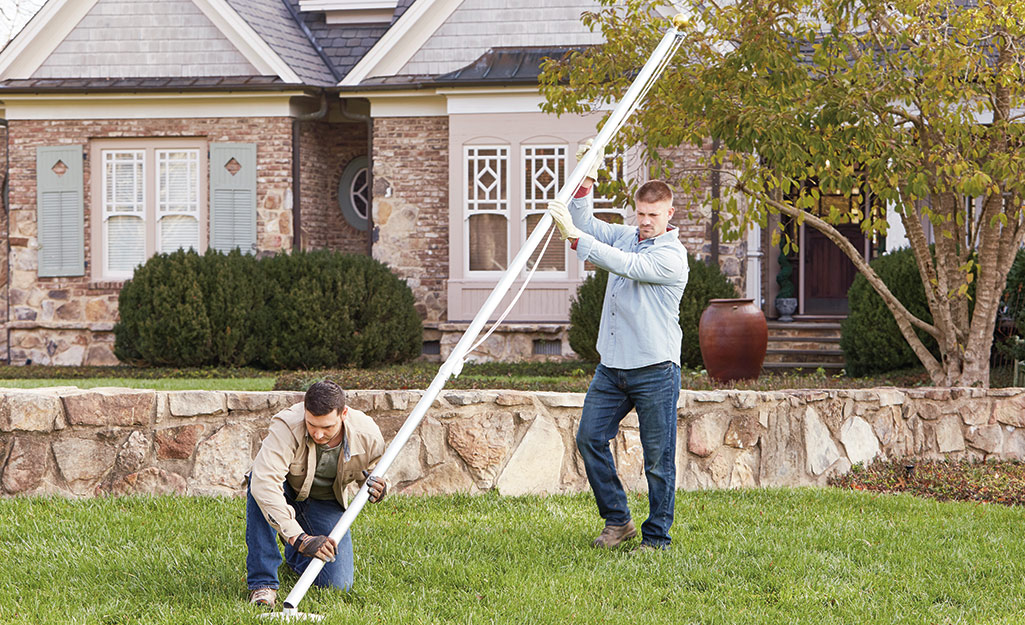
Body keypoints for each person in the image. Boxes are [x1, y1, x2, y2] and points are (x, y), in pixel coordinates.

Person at [547, 143, 689, 552]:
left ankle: (657, 538)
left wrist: (576, 244)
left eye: (653, 215)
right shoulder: (628, 236)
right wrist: (585, 181)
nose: (645, 222)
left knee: (658, 461)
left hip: (655, 370)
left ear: (669, 215)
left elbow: (624, 265)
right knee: (589, 438)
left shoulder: (671, 258)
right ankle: (618, 521)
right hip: (613, 367)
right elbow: (586, 222)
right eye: (640, 214)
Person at [245, 380, 388, 607]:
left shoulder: (367, 433)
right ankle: (263, 584)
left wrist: (380, 488)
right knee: (258, 483)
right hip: (286, 490)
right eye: (312, 425)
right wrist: (300, 539)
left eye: (327, 427)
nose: (319, 434)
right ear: (305, 411)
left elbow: (374, 471)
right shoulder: (286, 426)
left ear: (344, 414)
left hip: (324, 501)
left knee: (336, 584)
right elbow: (266, 483)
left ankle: (294, 553)